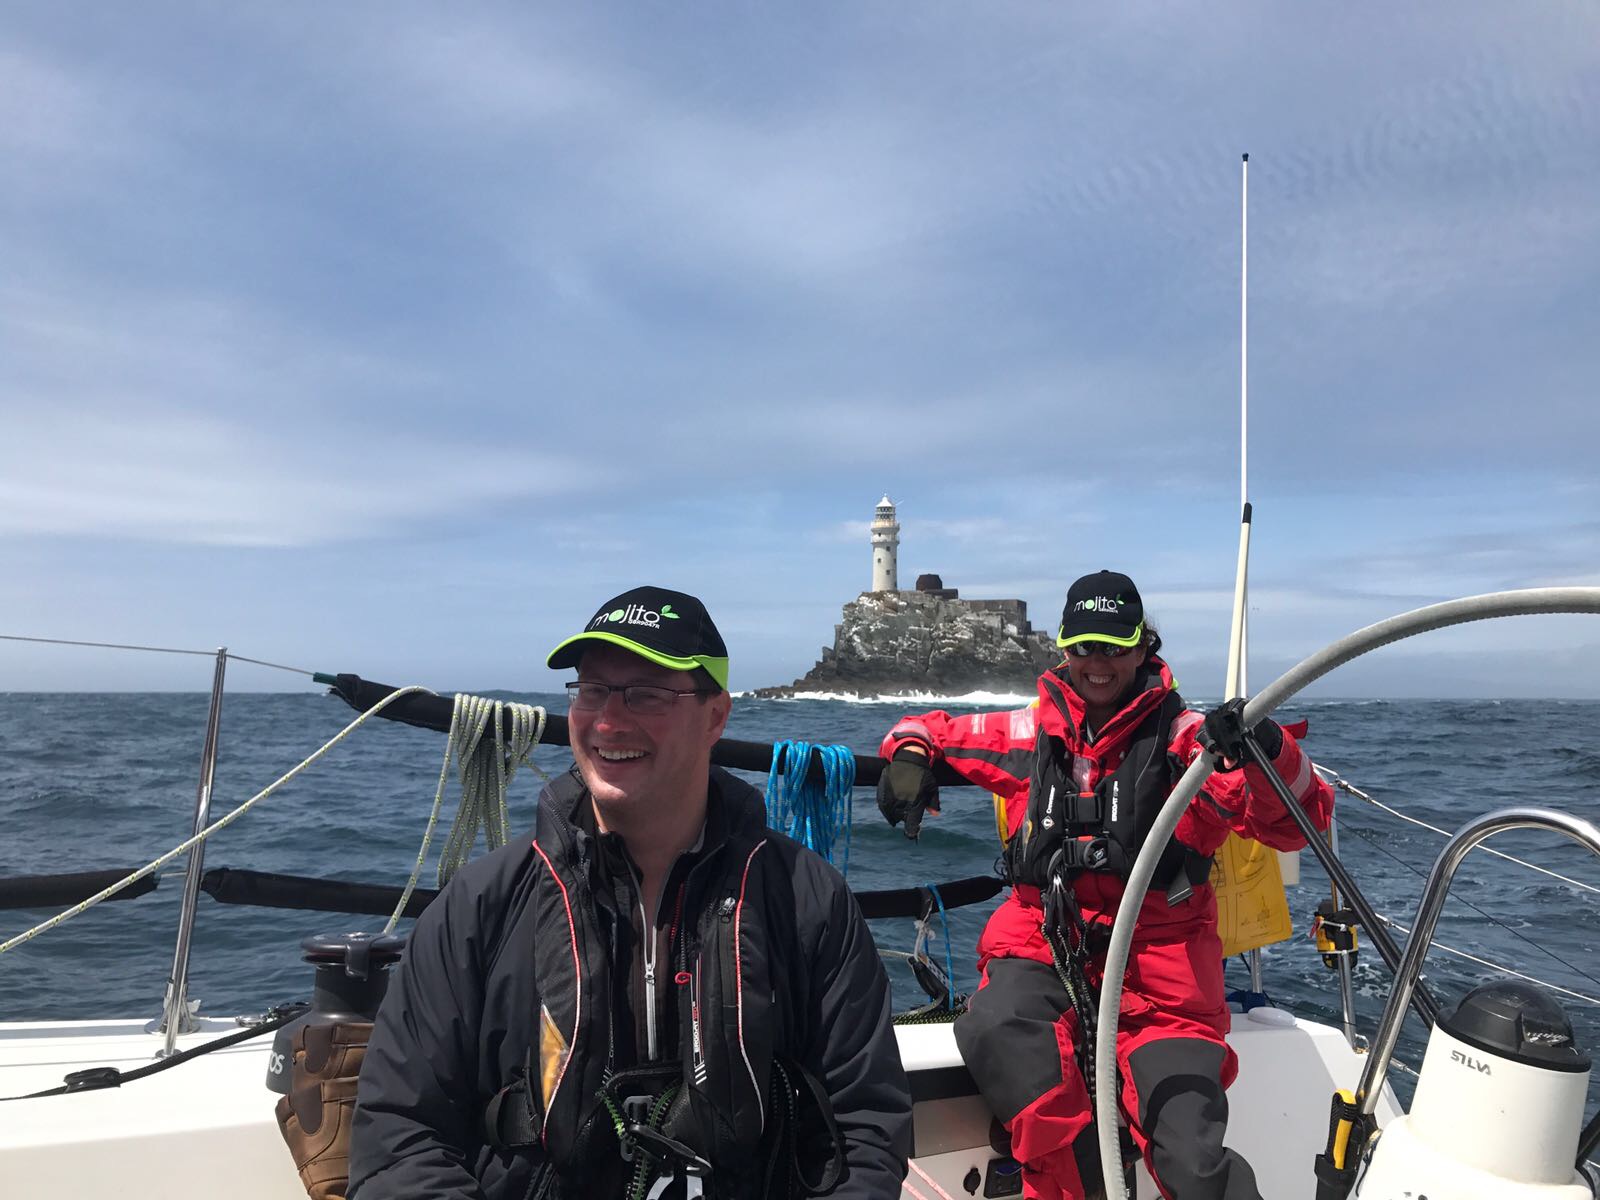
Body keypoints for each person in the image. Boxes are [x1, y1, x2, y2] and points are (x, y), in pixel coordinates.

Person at [350, 585, 912, 1200]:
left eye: (647, 693)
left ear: (715, 716)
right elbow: (400, 1133)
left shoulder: (809, 904)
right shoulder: (480, 907)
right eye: (592, 690)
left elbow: (866, 1130)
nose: (609, 720)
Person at [876, 570, 1334, 1200]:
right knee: (997, 1030)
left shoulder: (1191, 744)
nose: (1098, 663)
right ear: (1063, 647)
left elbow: (1295, 824)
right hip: (1043, 946)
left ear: (1145, 647)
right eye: (1085, 647)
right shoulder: (1029, 733)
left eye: (1115, 647)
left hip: (1162, 970)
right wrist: (906, 752)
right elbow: (931, 730)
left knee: (1192, 1158)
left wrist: (1269, 751)